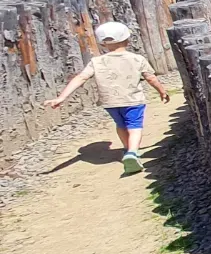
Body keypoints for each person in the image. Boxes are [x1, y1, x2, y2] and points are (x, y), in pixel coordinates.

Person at [45, 21, 170, 174]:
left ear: (102, 43)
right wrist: (162, 91)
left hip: (110, 102)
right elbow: (151, 78)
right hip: (133, 100)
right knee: (135, 126)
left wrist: (61, 97)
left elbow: (81, 78)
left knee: (121, 125)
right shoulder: (137, 59)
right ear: (127, 39)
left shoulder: (96, 62)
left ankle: (127, 149)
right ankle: (132, 152)